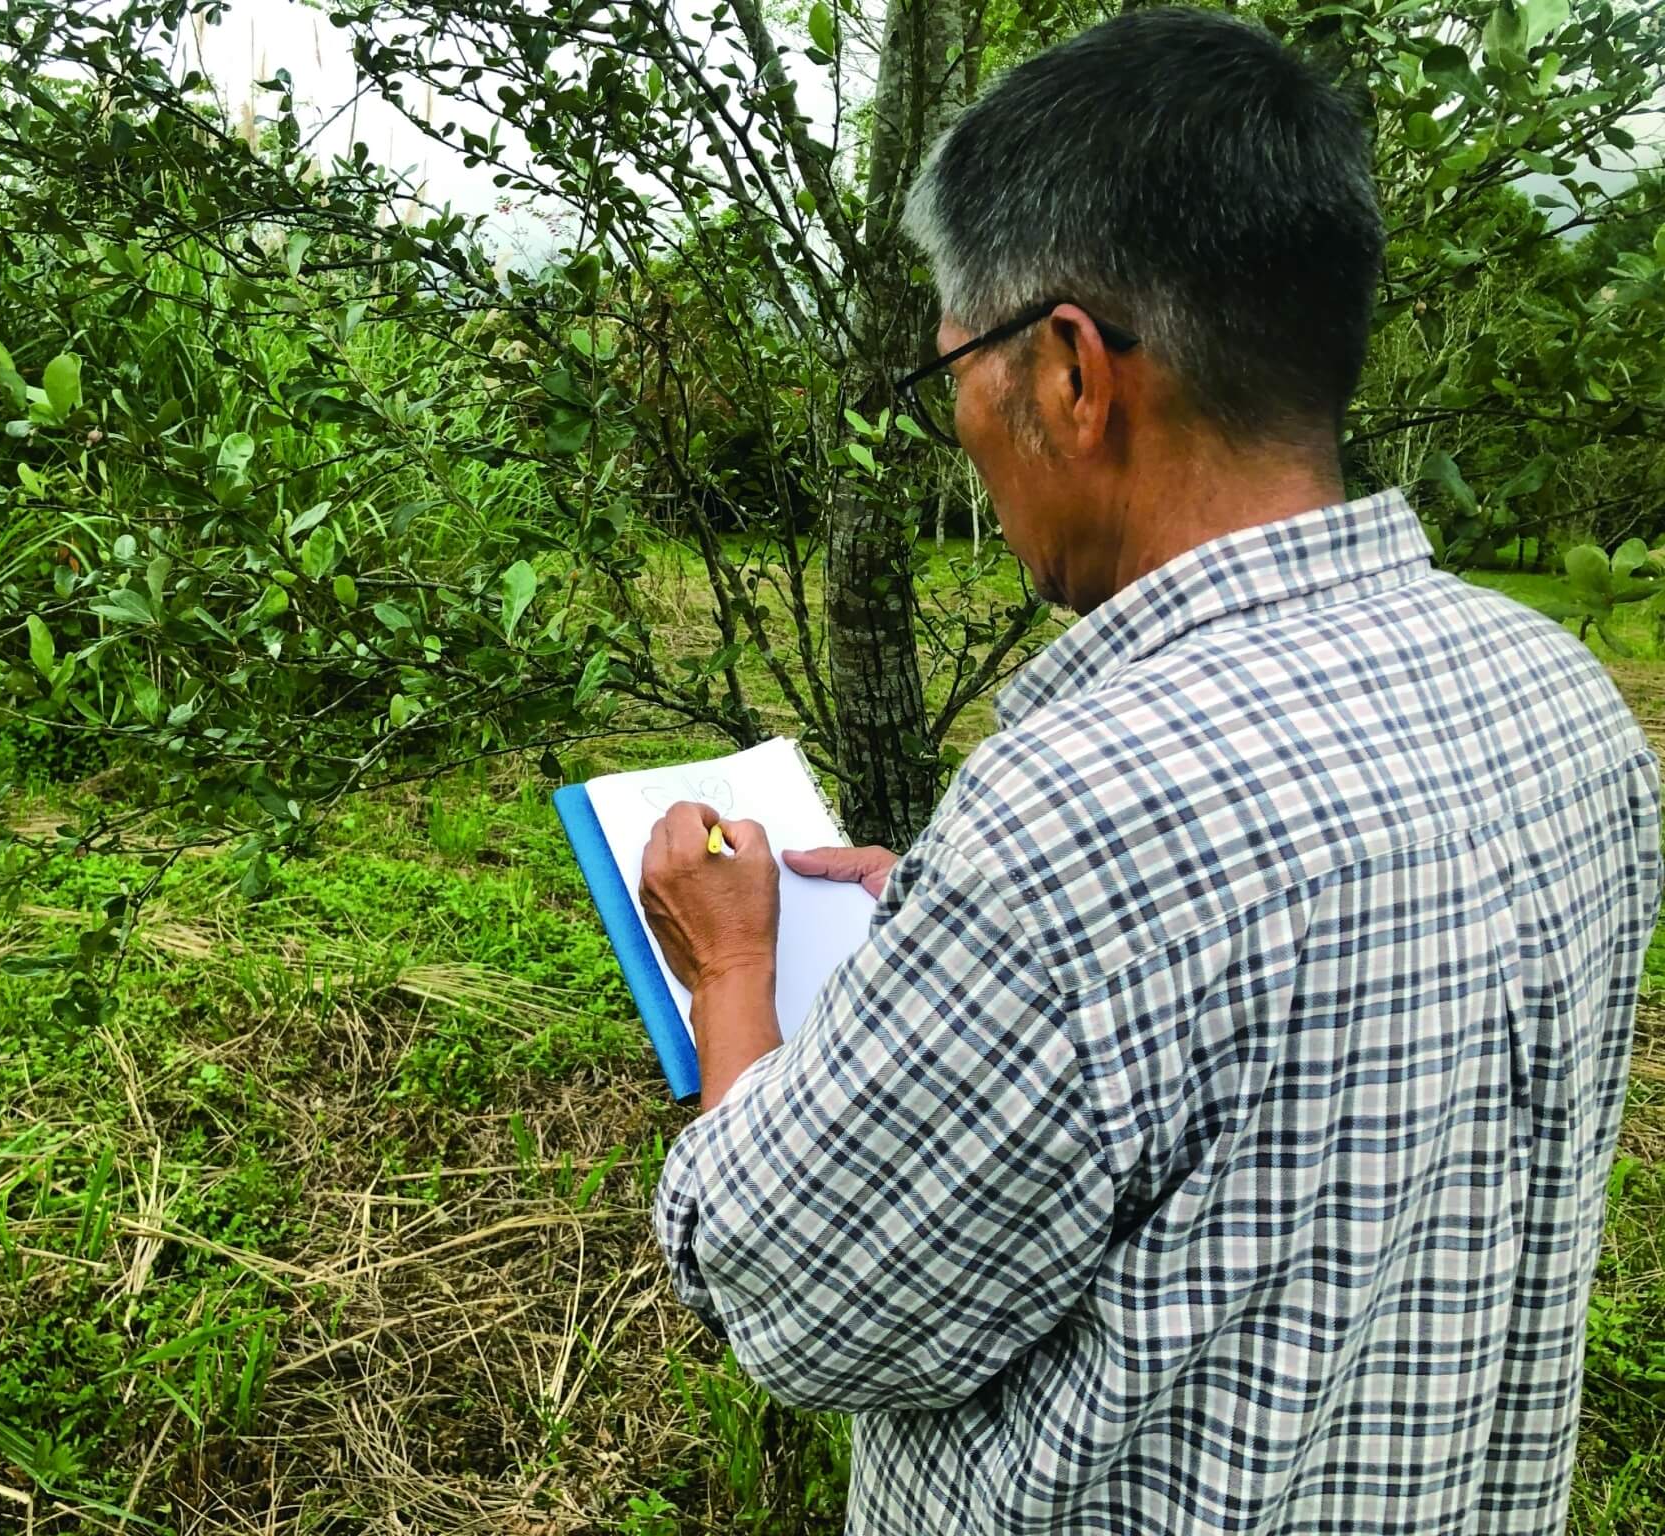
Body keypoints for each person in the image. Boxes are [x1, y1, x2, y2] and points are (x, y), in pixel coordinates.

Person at [635, 8, 1662, 1533]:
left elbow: (793, 1286)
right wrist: (954, 927)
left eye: (955, 375)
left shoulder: (1083, 821)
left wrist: (730, 970)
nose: (964, 436)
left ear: (1068, 376)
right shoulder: (1562, 704)